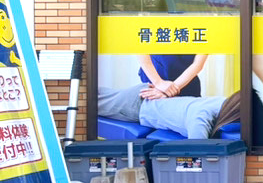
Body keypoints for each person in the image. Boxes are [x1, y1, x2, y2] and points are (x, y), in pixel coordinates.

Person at [97, 83, 236, 140]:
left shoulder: (223, 102)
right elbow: (197, 150)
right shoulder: (202, 116)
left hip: (144, 98)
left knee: (95, 93)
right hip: (134, 106)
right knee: (90, 100)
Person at [138, 54, 208, 99]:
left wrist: (170, 90)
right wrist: (158, 83)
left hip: (186, 86)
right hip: (154, 86)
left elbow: (198, 64)